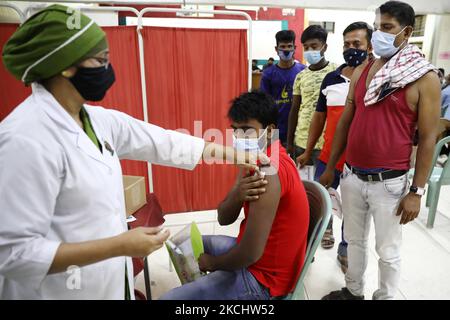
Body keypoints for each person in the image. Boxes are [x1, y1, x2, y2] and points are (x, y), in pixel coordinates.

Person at [0, 5, 267, 300]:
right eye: (100, 60)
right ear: (65, 65)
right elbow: (12, 254)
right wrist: (120, 245)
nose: (107, 69)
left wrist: (235, 155)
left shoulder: (95, 119)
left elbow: (165, 142)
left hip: (106, 279)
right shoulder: (25, 138)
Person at [320, 1, 440, 300]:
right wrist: (331, 166)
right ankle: (353, 290)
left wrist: (417, 191)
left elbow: (427, 138)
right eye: (377, 27)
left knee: (387, 250)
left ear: (406, 32)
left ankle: (385, 296)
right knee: (354, 241)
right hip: (352, 175)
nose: (379, 35)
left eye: (387, 28)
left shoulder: (424, 78)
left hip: (390, 183)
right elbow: (346, 119)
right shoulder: (365, 69)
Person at [160, 91, 310, 300]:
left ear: (269, 131)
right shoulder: (252, 159)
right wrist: (239, 194)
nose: (240, 138)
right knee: (184, 246)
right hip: (256, 258)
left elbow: (250, 253)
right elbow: (224, 217)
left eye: (247, 130)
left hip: (264, 280)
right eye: (236, 131)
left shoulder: (268, 171)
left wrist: (212, 264)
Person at [297, 22, 373, 271]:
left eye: (357, 44)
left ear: (369, 45)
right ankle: (312, 244)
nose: (351, 48)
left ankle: (345, 250)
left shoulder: (374, 77)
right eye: (347, 44)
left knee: (352, 213)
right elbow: (319, 117)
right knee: (316, 204)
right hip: (328, 157)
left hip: (359, 162)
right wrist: (308, 151)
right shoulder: (331, 78)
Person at [287, 25, 336, 164]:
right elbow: (294, 109)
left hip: (325, 143)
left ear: (324, 47)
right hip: (301, 141)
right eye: (306, 47)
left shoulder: (336, 72)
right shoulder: (301, 76)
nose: (309, 51)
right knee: (303, 184)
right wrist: (290, 143)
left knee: (322, 184)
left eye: (314, 46)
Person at [260, 30, 306, 145]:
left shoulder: (303, 71)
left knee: (296, 162)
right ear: (276, 49)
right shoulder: (268, 74)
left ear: (295, 48)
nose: (286, 50)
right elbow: (264, 104)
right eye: (283, 46)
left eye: (289, 46)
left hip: (299, 129)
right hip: (276, 128)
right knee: (275, 161)